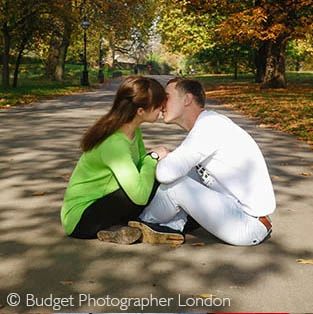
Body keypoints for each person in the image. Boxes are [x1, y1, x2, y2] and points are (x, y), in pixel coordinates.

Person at [129, 77, 276, 246]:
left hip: (247, 224)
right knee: (188, 173)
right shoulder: (208, 124)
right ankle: (170, 227)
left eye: (167, 97)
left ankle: (139, 226)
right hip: (240, 216)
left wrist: (156, 157)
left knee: (176, 184)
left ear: (187, 99)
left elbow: (166, 173)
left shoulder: (210, 127)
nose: (161, 103)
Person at [60, 76, 184, 245]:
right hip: (81, 220)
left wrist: (155, 162)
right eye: (158, 104)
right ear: (140, 111)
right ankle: (150, 225)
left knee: (163, 179)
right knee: (152, 186)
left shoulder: (132, 131)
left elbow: (140, 167)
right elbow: (140, 195)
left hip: (103, 206)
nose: (162, 108)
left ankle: (134, 228)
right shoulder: (114, 143)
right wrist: (153, 157)